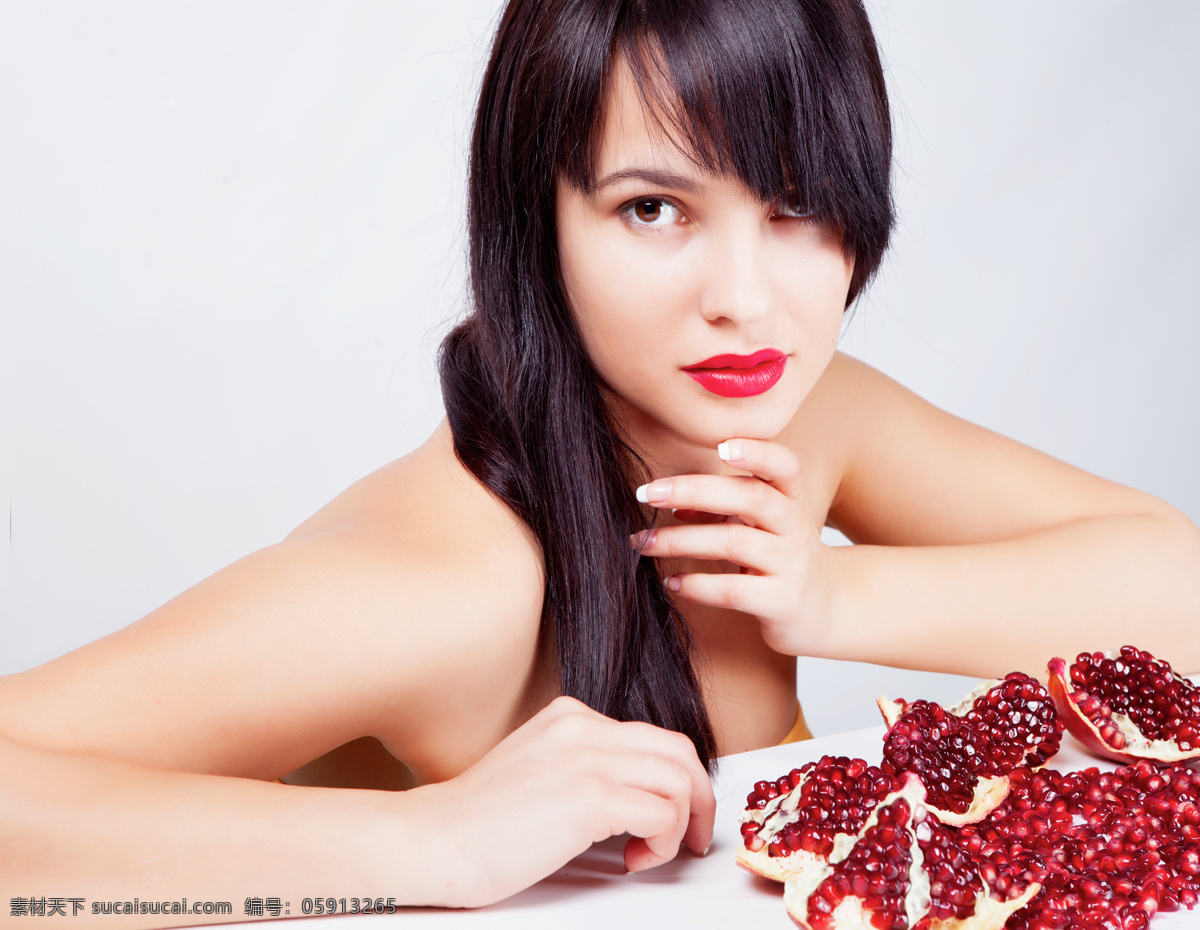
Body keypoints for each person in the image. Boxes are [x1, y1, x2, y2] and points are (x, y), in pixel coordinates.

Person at [3, 0, 1199, 925]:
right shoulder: (452, 587)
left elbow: (1179, 596)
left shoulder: (805, 426)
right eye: (652, 209)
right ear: (540, 220)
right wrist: (432, 844)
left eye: (794, 206)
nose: (745, 301)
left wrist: (837, 595)